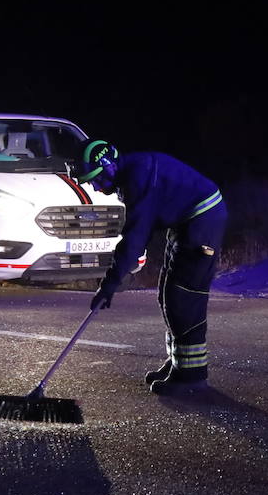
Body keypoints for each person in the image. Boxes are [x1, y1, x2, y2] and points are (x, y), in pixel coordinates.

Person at [81, 140, 227, 397]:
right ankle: (179, 362)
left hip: (203, 220)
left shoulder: (138, 178)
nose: (94, 186)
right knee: (167, 294)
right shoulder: (132, 171)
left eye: (96, 178)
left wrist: (109, 284)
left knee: (183, 297)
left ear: (109, 167)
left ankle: (191, 376)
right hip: (187, 222)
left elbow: (136, 238)